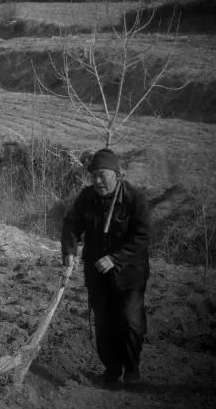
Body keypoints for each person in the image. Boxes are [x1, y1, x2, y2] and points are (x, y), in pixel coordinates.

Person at [61, 148, 151, 386]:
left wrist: (116, 258)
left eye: (103, 175)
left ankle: (132, 371)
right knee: (103, 324)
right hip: (97, 276)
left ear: (117, 175)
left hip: (130, 275)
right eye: (94, 176)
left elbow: (142, 237)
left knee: (131, 322)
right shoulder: (86, 198)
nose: (97, 181)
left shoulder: (135, 199)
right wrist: (69, 252)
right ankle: (112, 371)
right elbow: (71, 225)